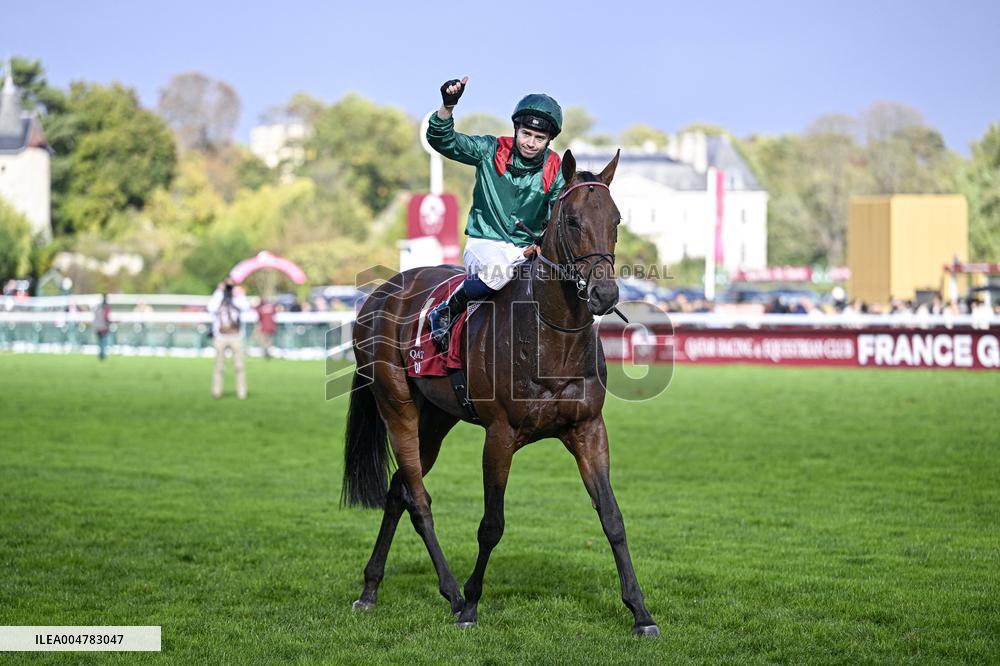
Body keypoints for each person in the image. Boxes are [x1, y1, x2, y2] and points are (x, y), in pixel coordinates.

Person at [425, 76, 566, 350]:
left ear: (549, 140)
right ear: (516, 129)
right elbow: (443, 141)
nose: (531, 143)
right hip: (484, 244)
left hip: (528, 252)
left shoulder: (555, 168)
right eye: (526, 134)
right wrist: (447, 106)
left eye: (540, 138)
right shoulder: (490, 150)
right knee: (499, 274)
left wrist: (542, 242)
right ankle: (445, 309)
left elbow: (556, 215)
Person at [208, 277, 251, 399]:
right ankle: (216, 392)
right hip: (220, 336)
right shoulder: (219, 298)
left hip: (235, 336)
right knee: (219, 366)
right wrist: (219, 292)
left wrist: (238, 293)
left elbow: (246, 307)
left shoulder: (237, 298)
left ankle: (242, 392)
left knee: (239, 366)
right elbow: (211, 307)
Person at [93, 293, 111, 361]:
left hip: (97, 327)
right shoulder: (106, 307)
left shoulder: (97, 307)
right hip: (103, 327)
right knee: (103, 342)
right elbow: (106, 317)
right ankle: (102, 355)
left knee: (100, 342)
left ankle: (101, 354)